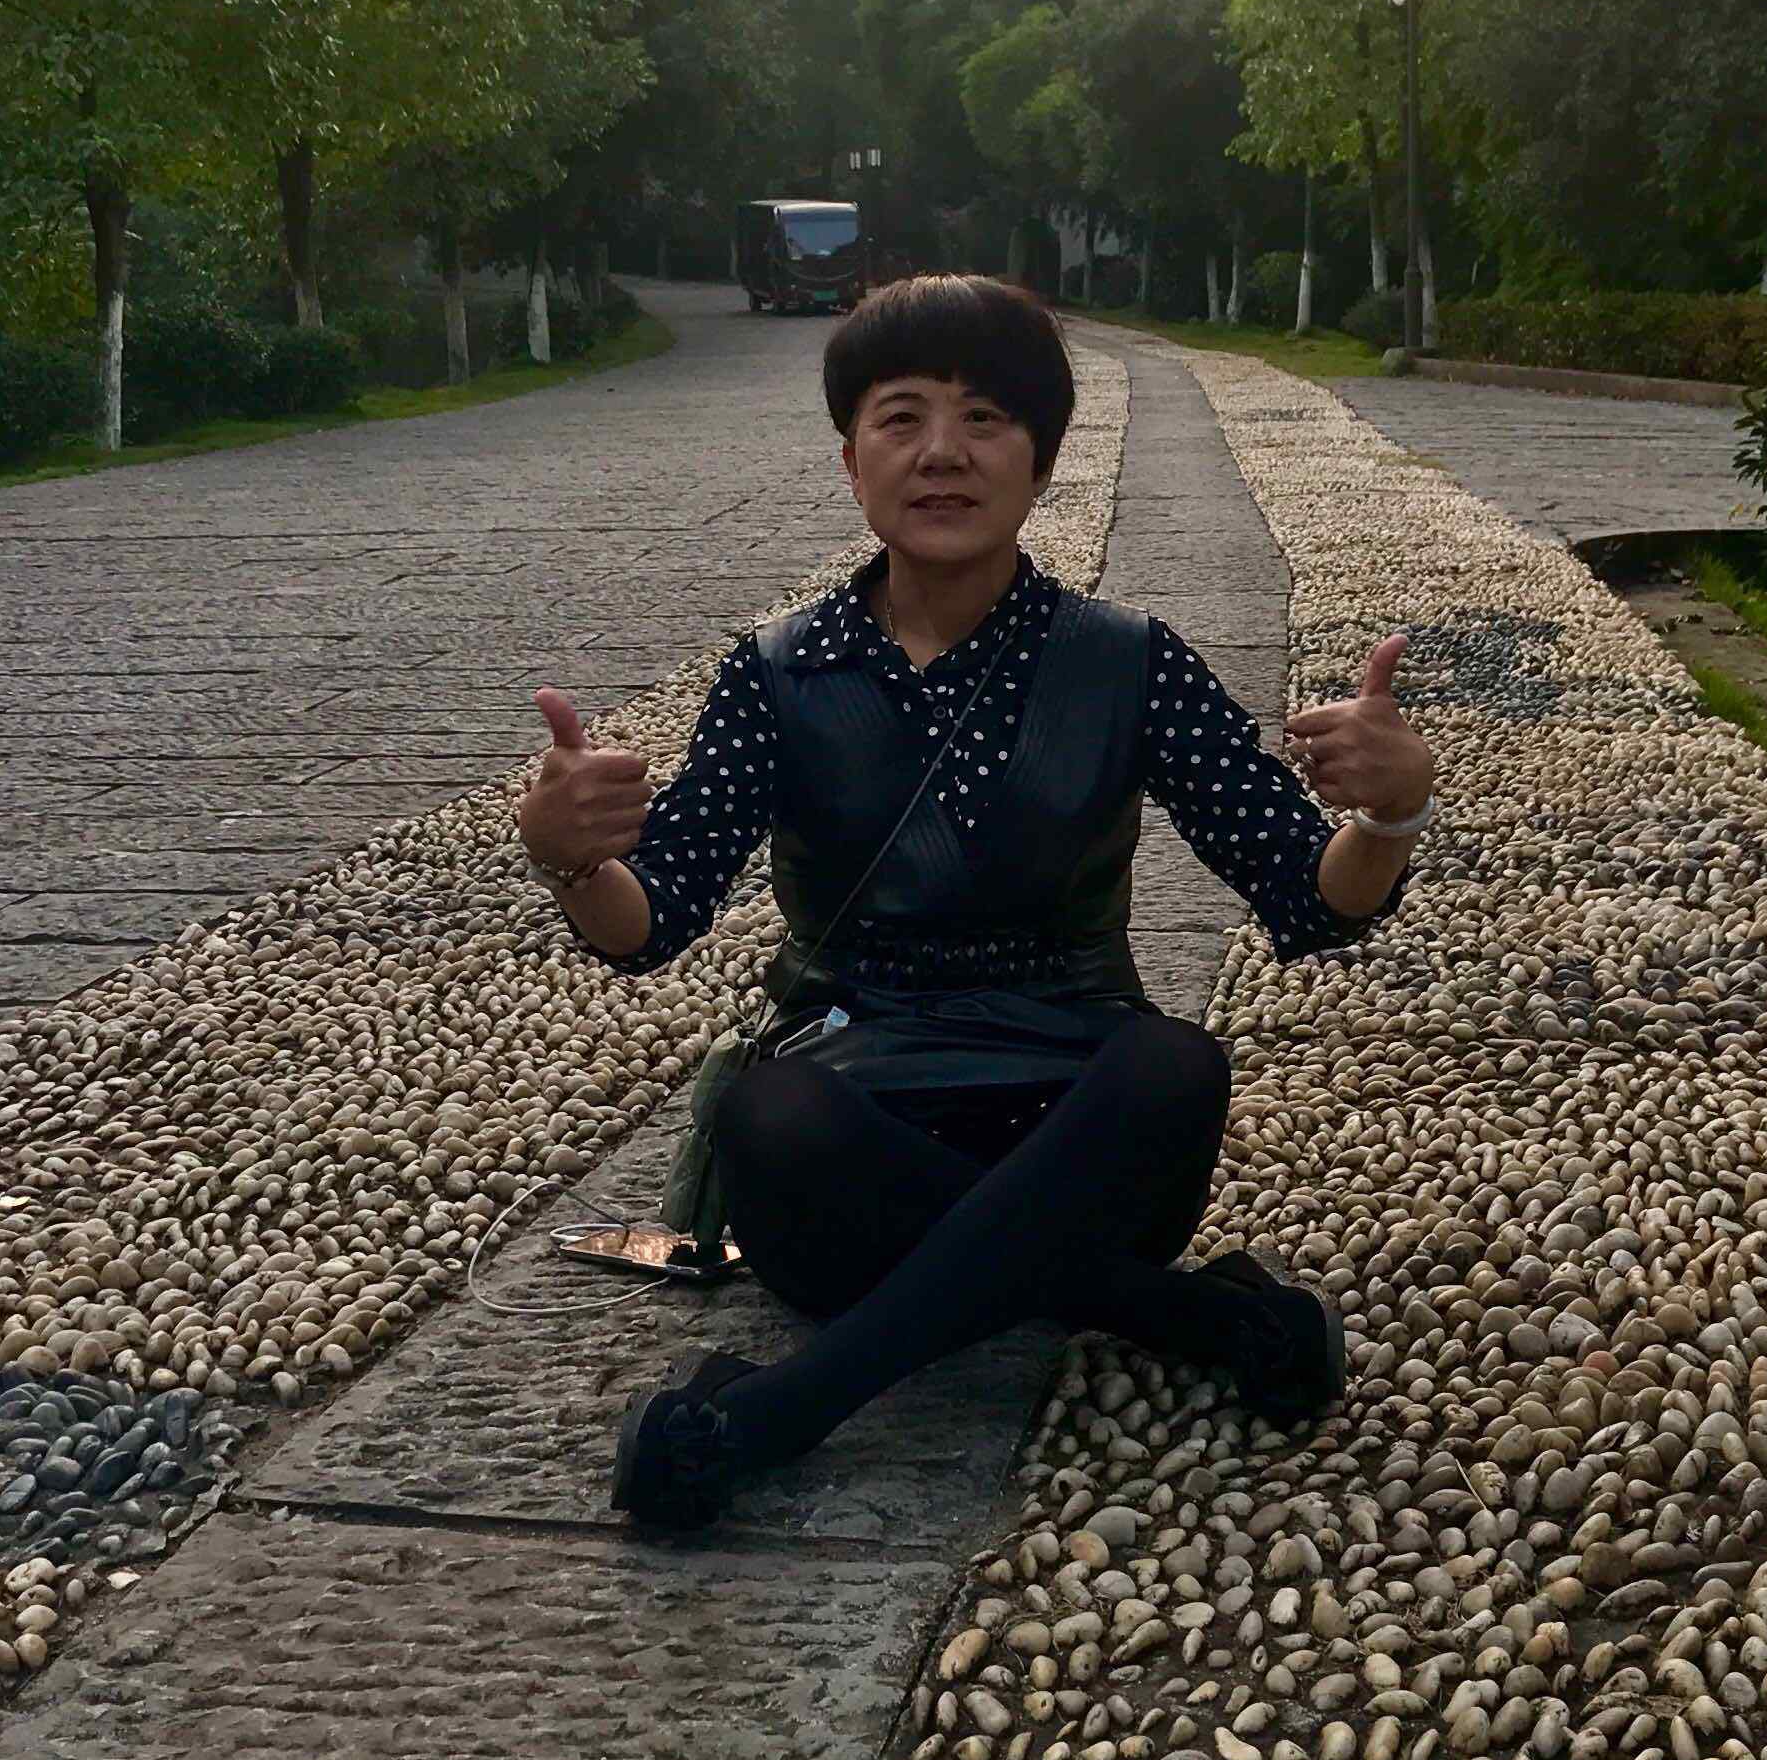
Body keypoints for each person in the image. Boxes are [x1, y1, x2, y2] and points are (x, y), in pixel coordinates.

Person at [514, 274, 1434, 1534]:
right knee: (766, 1110)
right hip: (854, 1110)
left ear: (1039, 463)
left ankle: (773, 1413)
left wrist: (1386, 816)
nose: (941, 452)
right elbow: (651, 918)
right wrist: (571, 859)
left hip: (1076, 1100)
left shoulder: (1125, 662)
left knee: (1173, 1066)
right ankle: (1192, 1318)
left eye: (984, 418)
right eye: (900, 417)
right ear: (850, 461)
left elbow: (1309, 896)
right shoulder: (777, 673)